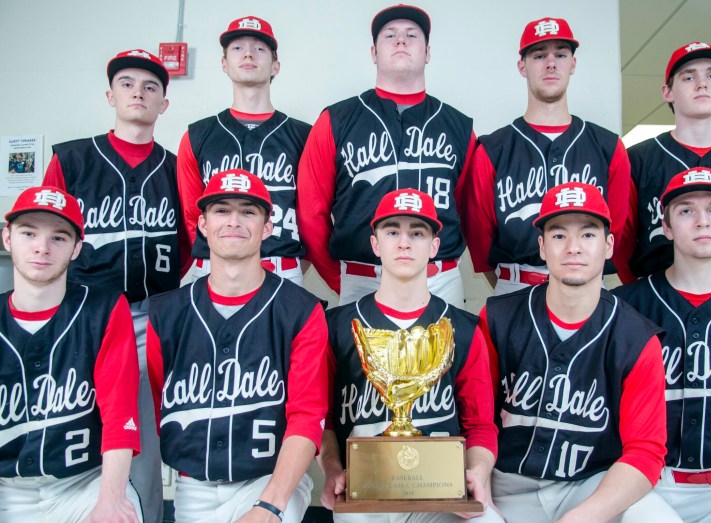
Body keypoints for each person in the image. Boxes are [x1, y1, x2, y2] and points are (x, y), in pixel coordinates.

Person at [42, 48, 187, 523]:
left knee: (140, 437)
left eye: (150, 87)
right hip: (82, 316)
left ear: (164, 103)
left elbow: (188, 243)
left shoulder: (175, 167)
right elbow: (47, 234)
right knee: (72, 425)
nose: (138, 93)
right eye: (127, 84)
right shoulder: (73, 159)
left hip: (150, 315)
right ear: (110, 95)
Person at [480, 182, 681, 522]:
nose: (573, 247)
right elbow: (476, 420)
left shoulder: (636, 338)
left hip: (589, 485)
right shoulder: (497, 318)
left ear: (608, 245)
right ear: (542, 246)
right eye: (559, 235)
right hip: (503, 483)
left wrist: (582, 517)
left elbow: (645, 452)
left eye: (588, 235)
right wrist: (480, 489)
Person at [147, 169, 330, 522]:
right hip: (193, 485)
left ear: (267, 227)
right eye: (221, 210)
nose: (234, 221)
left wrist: (270, 506)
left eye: (248, 211)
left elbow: (307, 417)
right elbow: (154, 407)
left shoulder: (301, 310)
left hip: (272, 480)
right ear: (202, 224)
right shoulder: (166, 313)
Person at [320, 189, 500, 522]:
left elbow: (481, 424)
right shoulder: (337, 326)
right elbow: (323, 420)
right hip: (365, 491)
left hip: (442, 491)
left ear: (434, 246)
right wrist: (332, 468)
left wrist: (477, 472)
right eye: (392, 232)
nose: (405, 243)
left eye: (417, 233)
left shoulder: (463, 328)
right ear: (376, 244)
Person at [298, 4, 475, 308]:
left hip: (440, 281)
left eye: (412, 35)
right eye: (389, 35)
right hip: (362, 277)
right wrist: (343, 277)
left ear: (428, 52)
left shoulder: (459, 126)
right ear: (373, 53)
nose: (401, 41)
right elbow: (310, 212)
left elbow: (469, 212)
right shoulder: (335, 120)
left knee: (448, 357)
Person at [614, 168, 711, 523]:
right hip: (650, 486)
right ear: (668, 227)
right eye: (687, 210)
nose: (703, 221)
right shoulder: (624, 307)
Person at [461, 17, 633, 295]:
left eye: (560, 54)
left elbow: (617, 234)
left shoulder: (609, 147)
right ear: (522, 66)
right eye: (539, 55)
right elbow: (481, 243)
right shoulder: (492, 149)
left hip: (588, 290)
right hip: (515, 286)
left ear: (572, 64)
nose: (551, 63)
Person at [0, 186, 141, 522]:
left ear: (77, 247)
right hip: (7, 487)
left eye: (59, 238)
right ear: (7, 238)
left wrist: (110, 501)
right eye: (29, 232)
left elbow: (119, 416)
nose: (41, 247)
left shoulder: (103, 308)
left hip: (84, 483)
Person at [177, 15, 310, 284]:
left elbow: (312, 215)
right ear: (224, 64)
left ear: (275, 66)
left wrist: (295, 264)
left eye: (259, 48)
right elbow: (192, 215)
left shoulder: (304, 135)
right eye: (237, 47)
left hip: (281, 268)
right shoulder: (197, 135)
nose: (248, 53)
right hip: (212, 269)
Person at [626, 42, 711, 278]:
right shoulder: (638, 159)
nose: (702, 83)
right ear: (667, 92)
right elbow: (622, 242)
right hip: (660, 303)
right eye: (688, 77)